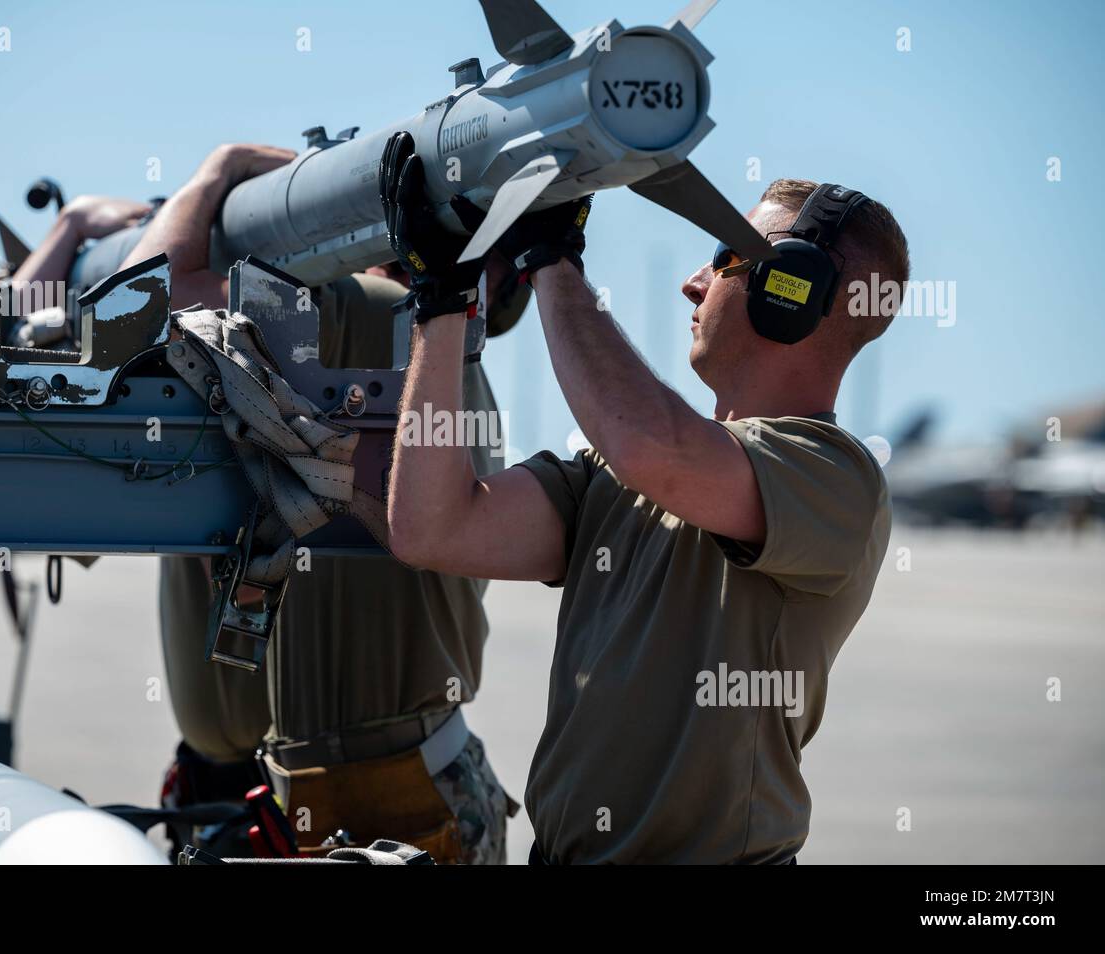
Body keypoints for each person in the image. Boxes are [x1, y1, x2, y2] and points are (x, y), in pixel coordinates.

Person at [380, 129, 910, 864]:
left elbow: (654, 445)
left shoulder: (836, 477)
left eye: (724, 258)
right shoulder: (618, 471)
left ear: (793, 290)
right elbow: (434, 529)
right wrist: (442, 302)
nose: (694, 282)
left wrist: (550, 260)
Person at [98, 143, 528, 863]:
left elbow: (133, 304)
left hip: (385, 786)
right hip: (386, 775)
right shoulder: (420, 340)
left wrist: (220, 168)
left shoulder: (371, 317)